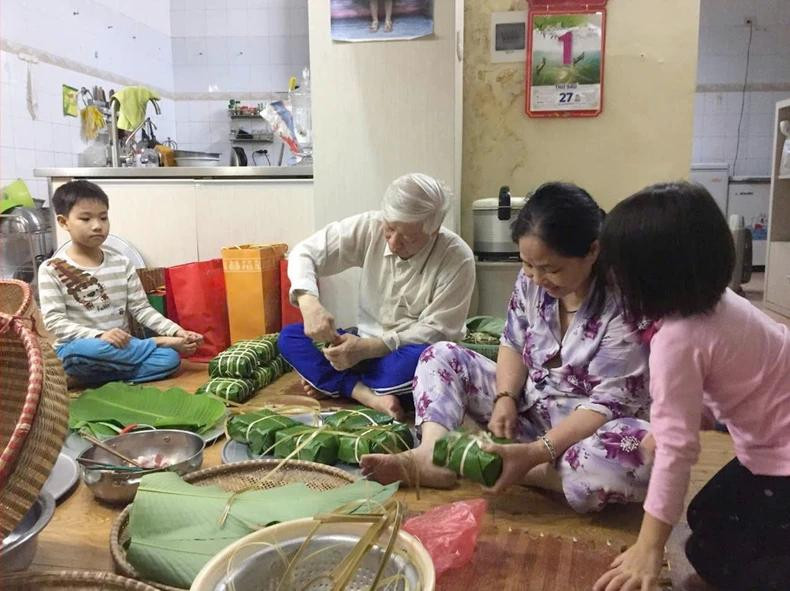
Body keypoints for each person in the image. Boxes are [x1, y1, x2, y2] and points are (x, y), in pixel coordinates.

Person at [362, 182, 654, 513]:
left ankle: (515, 468)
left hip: (587, 433)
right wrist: (505, 398)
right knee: (440, 355)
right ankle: (433, 455)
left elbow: (605, 405)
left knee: (639, 454)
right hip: (531, 412)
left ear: (592, 251)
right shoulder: (532, 282)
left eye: (551, 268)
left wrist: (533, 453)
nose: (536, 277)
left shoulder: (625, 306)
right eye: (528, 265)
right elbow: (512, 342)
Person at [593, 182, 790, 591]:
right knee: (704, 519)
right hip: (773, 439)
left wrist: (649, 548)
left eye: (619, 272)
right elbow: (742, 375)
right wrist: (693, 416)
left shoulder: (677, 339)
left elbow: (678, 452)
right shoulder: (720, 298)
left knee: (710, 556)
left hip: (781, 458)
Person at [278, 173, 475, 420]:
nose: (393, 242)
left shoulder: (457, 258)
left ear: (433, 231)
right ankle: (366, 394)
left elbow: (438, 331)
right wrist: (308, 301)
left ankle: (334, 383)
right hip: (363, 340)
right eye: (389, 229)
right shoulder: (370, 226)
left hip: (404, 352)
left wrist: (370, 349)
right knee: (290, 337)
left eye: (407, 237)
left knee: (426, 362)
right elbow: (304, 252)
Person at [38, 180, 203, 387]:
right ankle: (153, 344)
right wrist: (99, 335)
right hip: (79, 350)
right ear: (64, 222)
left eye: (103, 217)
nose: (98, 225)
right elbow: (54, 321)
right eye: (86, 218)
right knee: (85, 351)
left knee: (169, 360)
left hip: (122, 350)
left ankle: (87, 379)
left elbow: (141, 309)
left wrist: (176, 331)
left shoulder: (122, 264)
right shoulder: (51, 268)